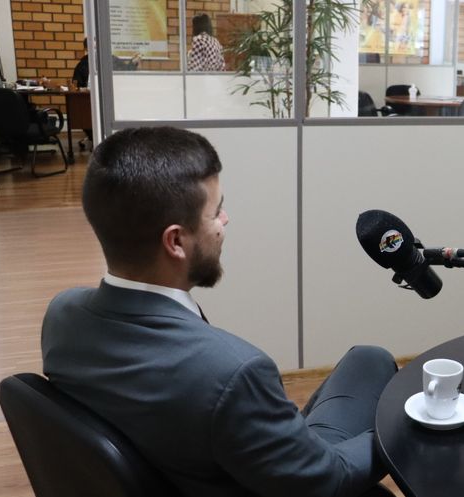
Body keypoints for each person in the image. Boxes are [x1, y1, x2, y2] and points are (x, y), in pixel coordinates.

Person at [41, 127, 397, 497]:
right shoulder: (231, 373)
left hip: (208, 455)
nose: (225, 220)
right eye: (216, 211)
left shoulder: (62, 316)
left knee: (369, 359)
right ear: (176, 241)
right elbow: (328, 480)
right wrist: (408, 426)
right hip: (274, 484)